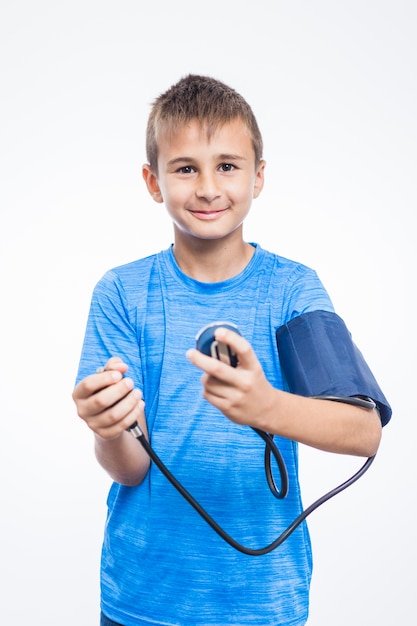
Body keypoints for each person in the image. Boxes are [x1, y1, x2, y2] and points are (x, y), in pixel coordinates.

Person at [72, 74, 391, 626]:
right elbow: (127, 471)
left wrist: (268, 407)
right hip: (145, 597)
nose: (207, 188)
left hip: (264, 603)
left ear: (258, 176)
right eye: (185, 168)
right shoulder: (121, 293)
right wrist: (107, 429)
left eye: (227, 165)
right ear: (153, 181)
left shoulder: (293, 291)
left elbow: (364, 431)